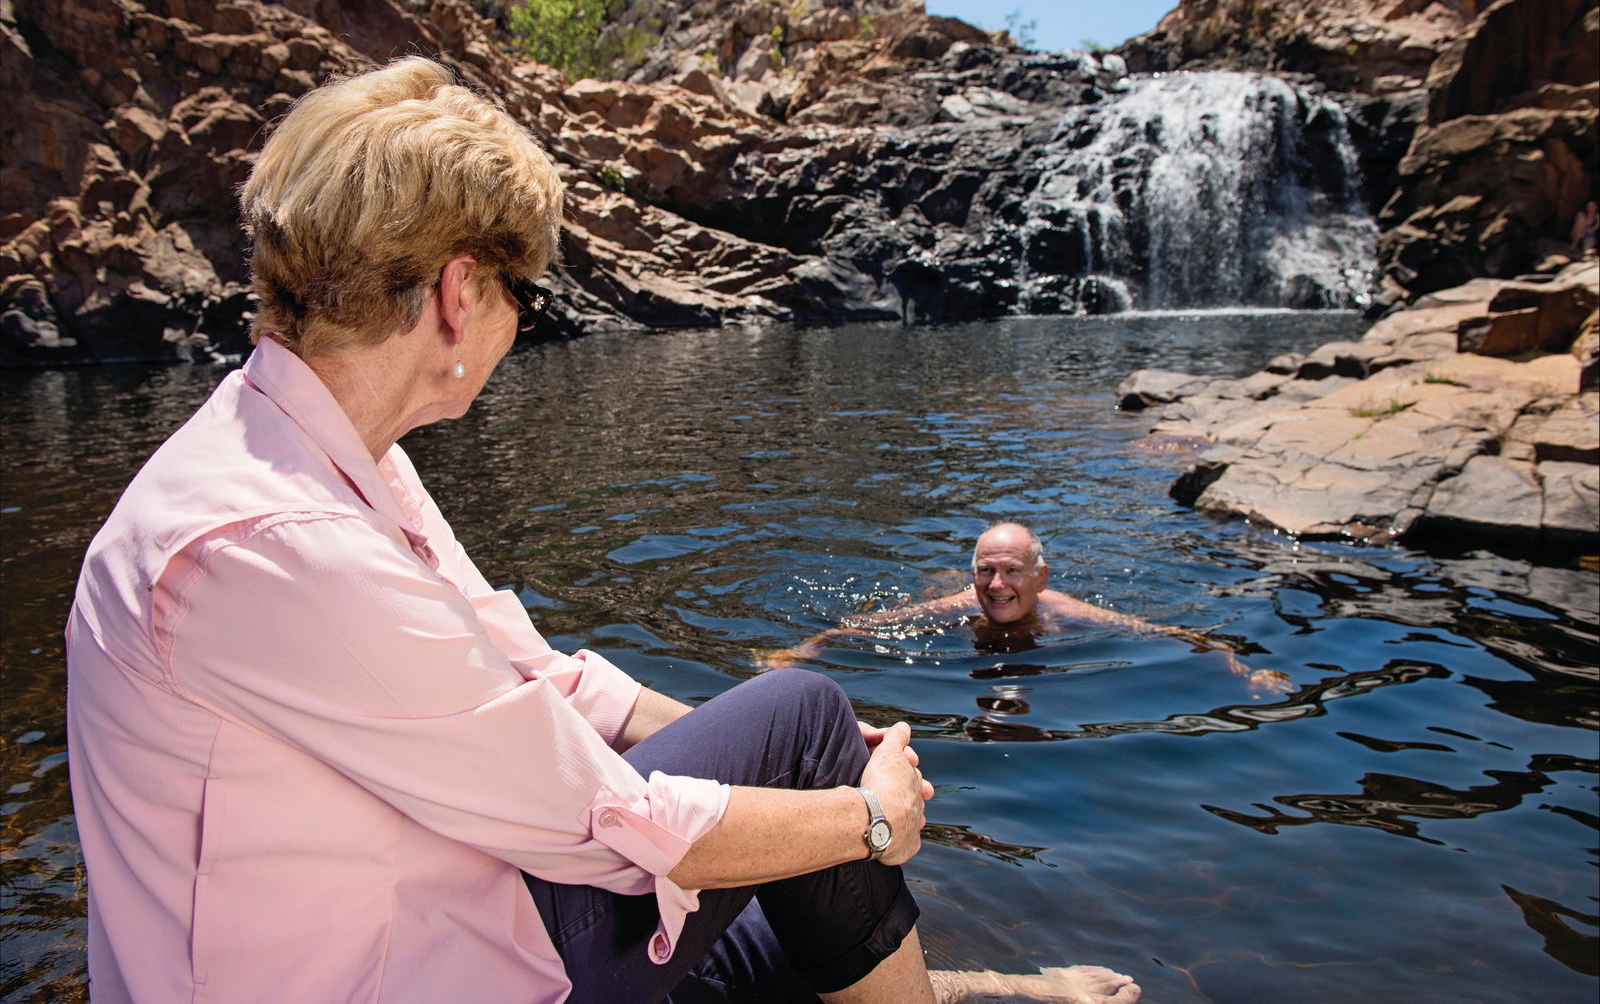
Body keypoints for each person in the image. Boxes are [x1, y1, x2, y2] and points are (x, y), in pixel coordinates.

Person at [65, 58, 1139, 1004]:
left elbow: (541, 677)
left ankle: (932, 980)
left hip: (404, 919)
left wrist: (780, 772)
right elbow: (609, 824)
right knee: (804, 723)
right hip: (390, 969)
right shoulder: (277, 537)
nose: (517, 323)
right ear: (459, 291)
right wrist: (862, 818)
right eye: (520, 292)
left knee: (780, 830)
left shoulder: (327, 458)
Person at [771, 522, 1289, 696]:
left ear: (1040, 577)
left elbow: (1157, 631)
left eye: (1012, 572)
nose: (996, 586)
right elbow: (864, 626)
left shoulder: (1070, 612)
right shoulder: (958, 604)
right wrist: (796, 655)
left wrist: (1240, 667)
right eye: (985, 571)